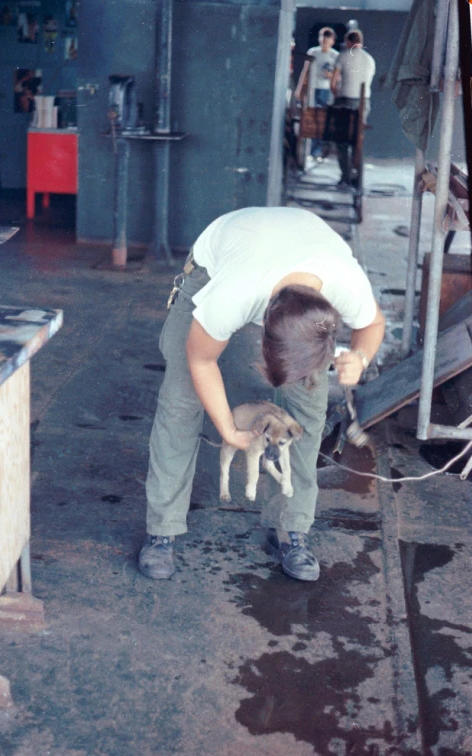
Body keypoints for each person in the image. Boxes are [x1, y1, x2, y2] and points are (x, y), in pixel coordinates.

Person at [139, 207, 385, 582]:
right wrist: (227, 428)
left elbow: (373, 324)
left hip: (294, 263)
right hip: (215, 265)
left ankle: (290, 528)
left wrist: (361, 357)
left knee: (307, 415)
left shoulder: (345, 285)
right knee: (181, 400)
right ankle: (162, 529)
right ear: (263, 334)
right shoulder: (231, 296)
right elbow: (201, 360)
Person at [330, 30, 376, 186]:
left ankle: (346, 176)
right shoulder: (370, 59)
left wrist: (336, 95)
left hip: (345, 102)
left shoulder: (342, 56)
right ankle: (358, 176)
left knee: (342, 141)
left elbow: (333, 83)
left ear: (348, 42)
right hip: (364, 103)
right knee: (358, 140)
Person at [294, 28, 338, 162]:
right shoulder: (313, 52)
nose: (324, 41)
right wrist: (299, 89)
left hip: (326, 91)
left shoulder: (335, 56)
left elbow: (338, 77)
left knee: (322, 120)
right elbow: (305, 71)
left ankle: (317, 151)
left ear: (332, 41)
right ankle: (309, 151)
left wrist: (330, 76)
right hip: (312, 90)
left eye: (327, 39)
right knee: (310, 119)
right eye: (322, 38)